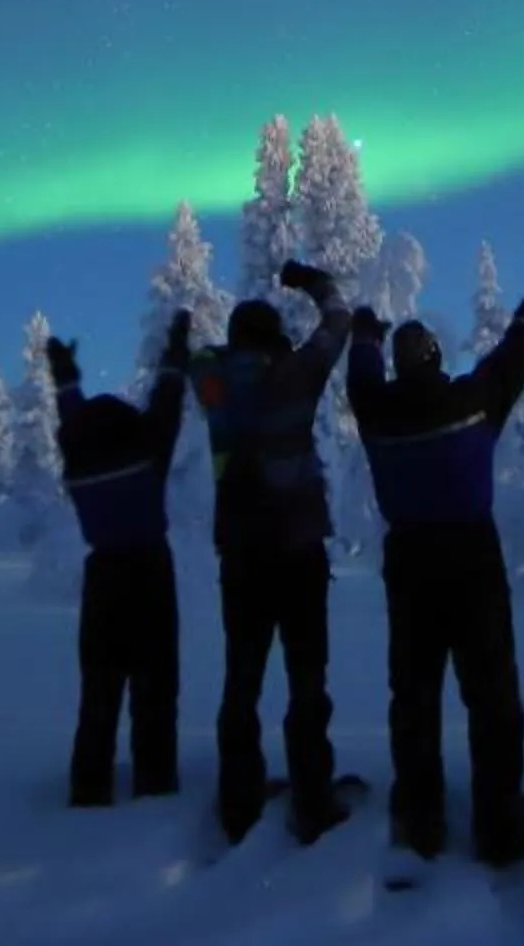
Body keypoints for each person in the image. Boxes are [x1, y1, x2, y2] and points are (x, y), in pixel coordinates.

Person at [345, 276, 524, 867]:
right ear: (437, 358)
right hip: (472, 558)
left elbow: (360, 375)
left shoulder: (376, 412)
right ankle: (500, 825)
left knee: (414, 693)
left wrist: (365, 334)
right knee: (492, 691)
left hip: (408, 561)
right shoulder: (473, 400)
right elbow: (515, 356)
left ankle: (421, 822)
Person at [192, 257, 354, 846]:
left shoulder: (213, 385)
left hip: (241, 556)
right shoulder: (294, 376)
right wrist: (313, 282)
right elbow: (338, 324)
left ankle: (238, 802)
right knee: (307, 677)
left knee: (242, 677)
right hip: (299, 553)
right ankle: (313, 797)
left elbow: (200, 357)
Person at [46, 318, 192, 808]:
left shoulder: (80, 452)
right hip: (150, 572)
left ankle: (89, 789)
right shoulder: (146, 450)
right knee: (156, 688)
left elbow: (71, 415)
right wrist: (176, 352)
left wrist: (65, 378)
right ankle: (155, 785)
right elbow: (167, 403)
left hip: (102, 576)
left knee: (100, 690)